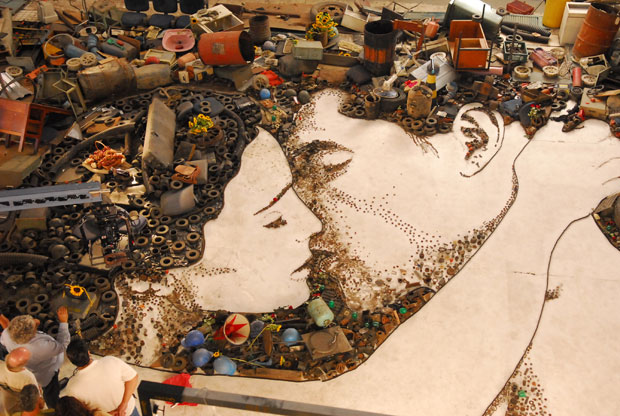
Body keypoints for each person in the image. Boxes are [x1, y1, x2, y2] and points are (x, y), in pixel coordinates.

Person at [0, 308, 69, 409]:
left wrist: (33, 326)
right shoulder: (42, 347)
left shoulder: (7, 334)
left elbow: (5, 333)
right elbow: (62, 346)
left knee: (44, 386)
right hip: (46, 376)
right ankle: (54, 407)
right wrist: (63, 322)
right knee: (50, 392)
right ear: (31, 334)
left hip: (33, 373)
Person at [61, 339, 139, 416]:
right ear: (88, 353)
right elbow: (133, 378)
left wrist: (107, 414)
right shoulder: (110, 361)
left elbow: (80, 412)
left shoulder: (72, 388)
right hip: (128, 411)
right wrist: (123, 405)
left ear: (72, 361)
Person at [0, 348, 38, 416]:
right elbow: (34, 398)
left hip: (6, 397)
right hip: (19, 398)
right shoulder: (28, 377)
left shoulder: (1, 366)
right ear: (23, 364)